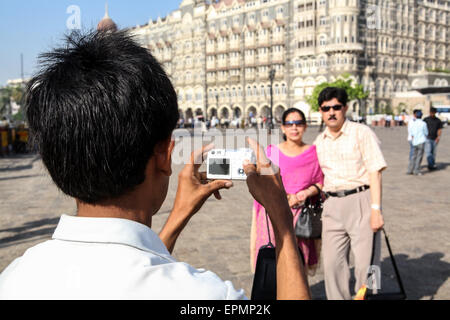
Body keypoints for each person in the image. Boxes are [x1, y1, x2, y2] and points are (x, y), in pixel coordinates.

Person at [0, 30, 310, 300]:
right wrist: (281, 218)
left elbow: (131, 269)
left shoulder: (13, 280)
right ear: (164, 156)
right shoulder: (209, 295)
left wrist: (178, 215)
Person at [313, 87, 387, 300]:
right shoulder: (320, 141)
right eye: (326, 108)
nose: (332, 112)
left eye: (336, 107)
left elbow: (375, 170)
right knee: (332, 263)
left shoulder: (361, 132)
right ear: (321, 111)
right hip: (332, 205)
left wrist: (376, 209)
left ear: (345, 108)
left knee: (369, 262)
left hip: (361, 200)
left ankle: (371, 296)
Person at [250, 108, 324, 277]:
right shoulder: (271, 152)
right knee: (272, 260)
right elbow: (262, 182)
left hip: (300, 216)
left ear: (305, 127)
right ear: (283, 128)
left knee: (297, 263)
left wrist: (304, 194)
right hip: (272, 215)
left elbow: (320, 182)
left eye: (298, 123)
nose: (294, 128)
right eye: (289, 124)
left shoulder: (313, 153)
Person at [407, 110, 428, 176]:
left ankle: (410, 170)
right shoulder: (423, 123)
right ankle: (416, 170)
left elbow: (411, 132)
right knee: (419, 157)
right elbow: (426, 132)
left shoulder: (414, 123)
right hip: (421, 141)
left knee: (413, 156)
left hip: (414, 141)